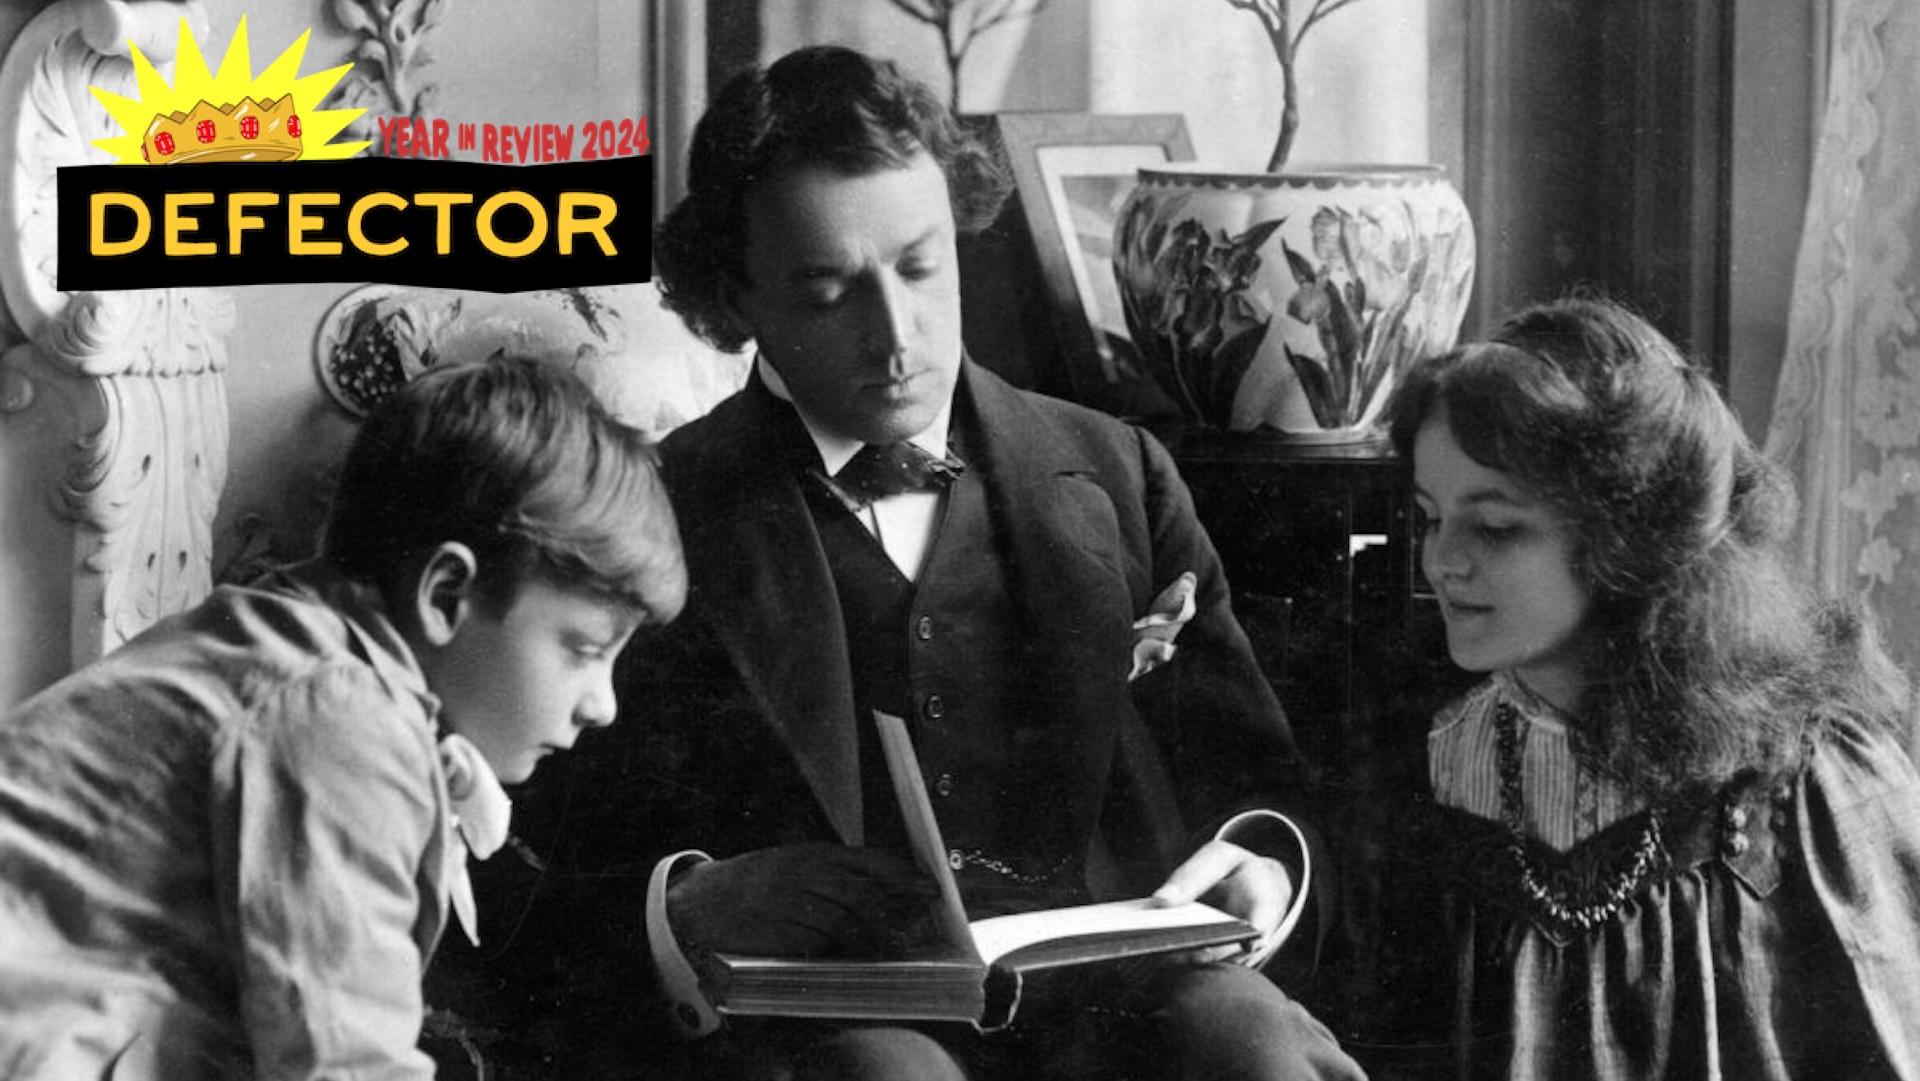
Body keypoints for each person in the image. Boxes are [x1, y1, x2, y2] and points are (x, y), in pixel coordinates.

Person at [467, 43, 1365, 1081]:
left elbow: (1268, 791)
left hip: (1115, 998)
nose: (895, 334)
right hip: (824, 1014)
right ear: (736, 298)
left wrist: (1263, 868)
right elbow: (516, 868)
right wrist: (679, 904)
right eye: (826, 291)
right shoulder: (654, 511)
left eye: (920, 267)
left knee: (1246, 1045)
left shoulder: (1118, 471)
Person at [0, 356, 686, 1080]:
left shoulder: (294, 646)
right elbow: (344, 1064)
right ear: (447, 593)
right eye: (584, 648)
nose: (603, 703)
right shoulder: (339, 709)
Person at [1379, 296, 1920, 1078]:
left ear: (1623, 538)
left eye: (1495, 527)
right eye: (1429, 517)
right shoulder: (1431, 756)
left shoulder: (1811, 779)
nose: (1443, 560)